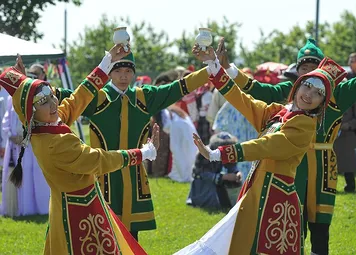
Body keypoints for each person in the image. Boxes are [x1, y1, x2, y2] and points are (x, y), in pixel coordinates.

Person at [217, 33, 356, 255]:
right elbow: (255, 90)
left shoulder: (337, 95)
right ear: (298, 72)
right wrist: (227, 69)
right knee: (292, 216)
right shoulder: (289, 92)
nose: (308, 72)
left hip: (323, 164)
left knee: (321, 223)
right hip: (295, 164)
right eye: (304, 68)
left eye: (313, 66)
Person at [175, 42, 346, 255]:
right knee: (235, 246)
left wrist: (220, 153)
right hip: (255, 193)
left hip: (277, 202)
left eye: (318, 93)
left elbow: (268, 145)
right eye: (307, 85)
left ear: (322, 102)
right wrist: (215, 68)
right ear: (298, 84)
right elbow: (244, 101)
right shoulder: (279, 112)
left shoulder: (305, 126)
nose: (309, 94)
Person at [0, 45, 151, 254]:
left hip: (72, 205)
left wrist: (105, 64)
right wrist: (142, 154)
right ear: (32, 111)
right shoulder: (55, 143)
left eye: (52, 96)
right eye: (43, 102)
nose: (53, 104)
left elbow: (75, 101)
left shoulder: (42, 126)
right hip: (79, 213)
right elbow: (98, 160)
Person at [62, 46, 212, 241]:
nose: (123, 76)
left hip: (133, 177)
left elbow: (177, 88)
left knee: (132, 237)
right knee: (102, 234)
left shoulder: (144, 98)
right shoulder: (97, 98)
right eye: (117, 70)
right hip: (103, 176)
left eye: (128, 71)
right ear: (109, 72)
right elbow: (67, 96)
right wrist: (24, 85)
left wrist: (209, 69)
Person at [187, 132, 242, 210]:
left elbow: (231, 166)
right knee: (213, 203)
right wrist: (224, 177)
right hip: (203, 184)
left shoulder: (226, 153)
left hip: (215, 182)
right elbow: (202, 174)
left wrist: (237, 173)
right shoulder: (203, 153)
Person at [333, 99, 356, 192]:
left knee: (348, 162)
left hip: (347, 134)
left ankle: (350, 185)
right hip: (331, 135)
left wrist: (349, 125)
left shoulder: (354, 97)